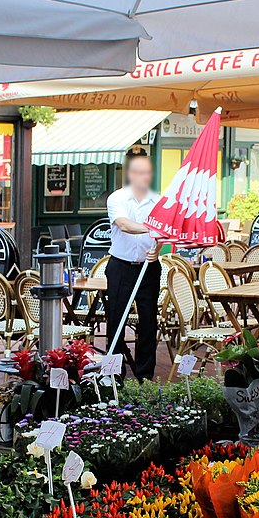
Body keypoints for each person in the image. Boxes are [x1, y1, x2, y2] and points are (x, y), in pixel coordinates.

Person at [105, 152, 160, 380]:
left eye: (146, 170)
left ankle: (145, 377)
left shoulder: (158, 200)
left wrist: (159, 245)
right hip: (121, 266)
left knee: (148, 322)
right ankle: (114, 376)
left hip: (149, 267)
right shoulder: (116, 198)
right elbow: (123, 224)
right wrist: (151, 229)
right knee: (116, 320)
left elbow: (164, 233)